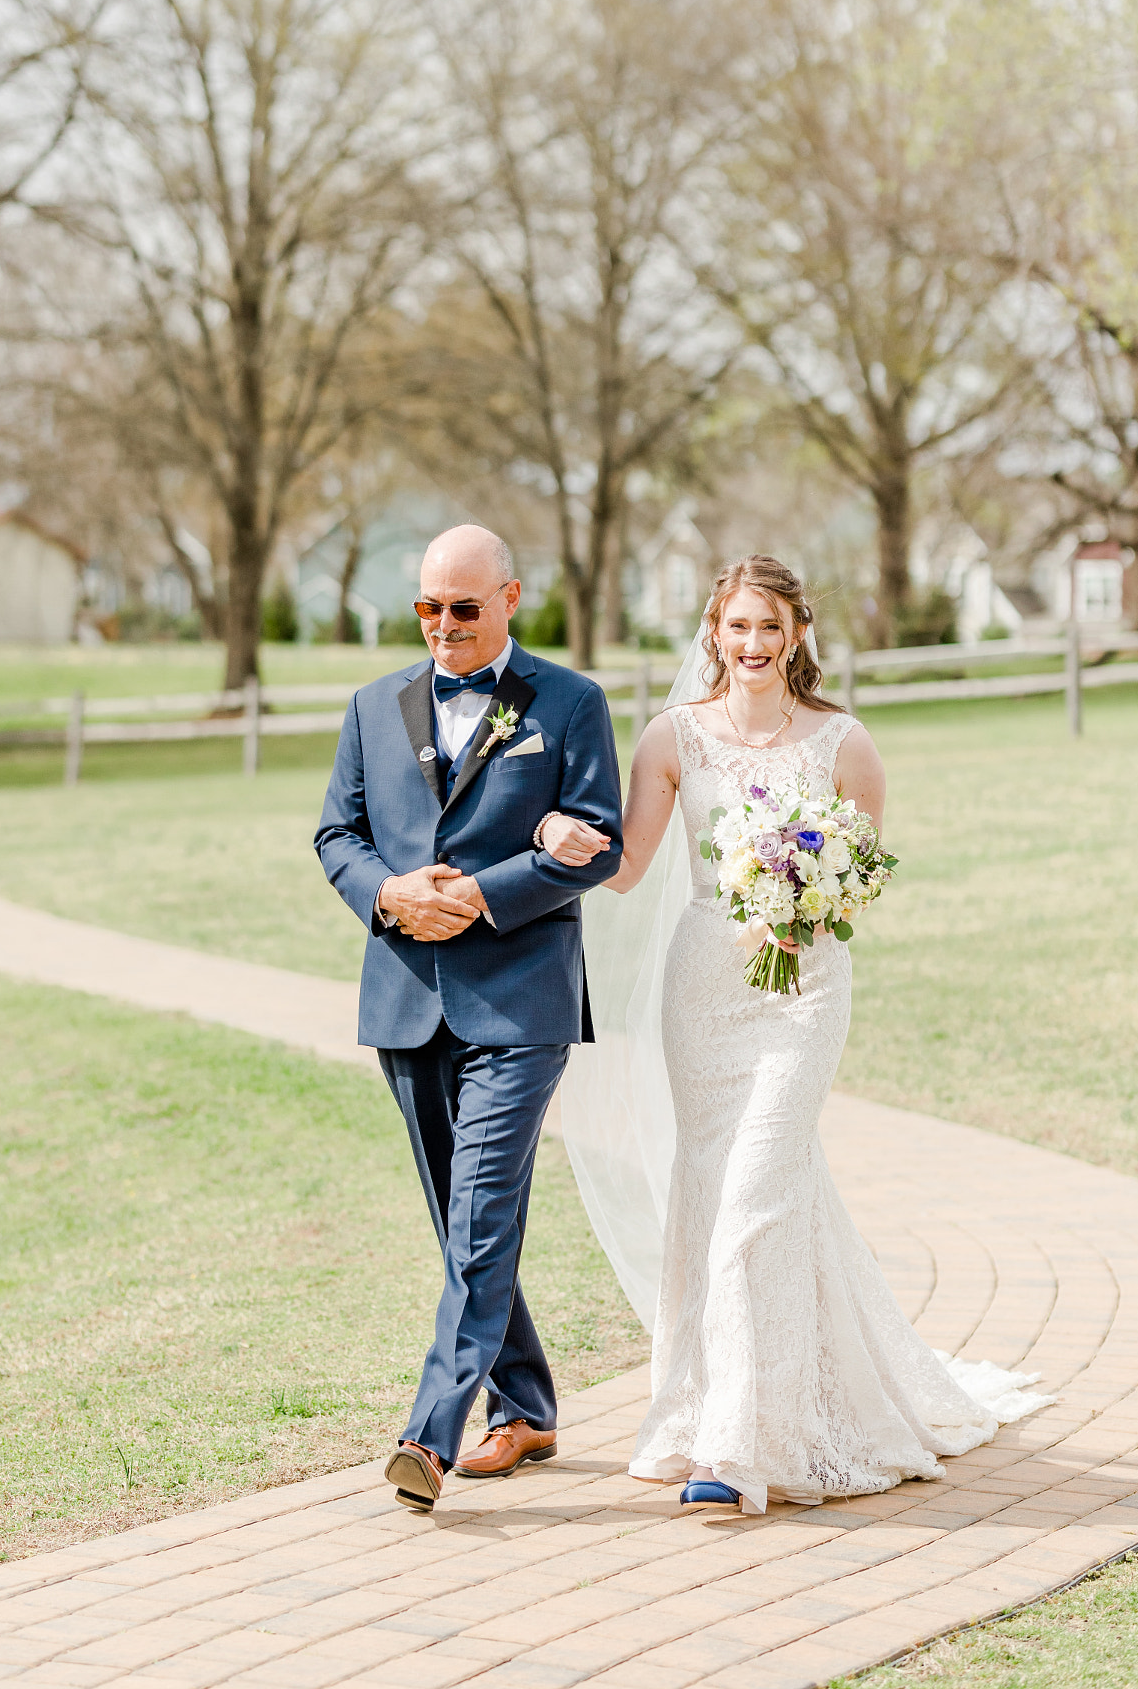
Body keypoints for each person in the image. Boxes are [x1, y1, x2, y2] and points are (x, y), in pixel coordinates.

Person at [550, 556, 1048, 1514]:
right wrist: (559, 846)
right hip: (702, 989)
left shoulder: (842, 744)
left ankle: (738, 1444)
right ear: (712, 632)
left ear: (796, 634)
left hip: (803, 991)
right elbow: (625, 867)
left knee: (755, 1195)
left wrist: (803, 895)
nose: (750, 646)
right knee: (715, 1192)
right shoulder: (671, 738)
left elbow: (860, 876)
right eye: (735, 627)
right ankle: (708, 1405)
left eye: (768, 628)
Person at [314, 524, 623, 1513]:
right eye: (428, 608)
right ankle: (526, 1404)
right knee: (464, 1226)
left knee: (481, 1215)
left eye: (464, 607)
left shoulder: (570, 703)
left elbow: (602, 842)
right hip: (405, 996)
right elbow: (336, 831)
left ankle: (428, 1435)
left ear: (511, 597)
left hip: (520, 997)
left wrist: (482, 893)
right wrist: (392, 893)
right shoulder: (374, 705)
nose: (443, 627)